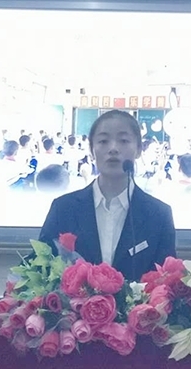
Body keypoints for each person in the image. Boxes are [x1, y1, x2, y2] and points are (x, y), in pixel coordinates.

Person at [38, 109, 176, 280]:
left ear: (139, 149)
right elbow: (40, 269)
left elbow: (167, 281)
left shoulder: (158, 214)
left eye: (124, 140)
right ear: (91, 149)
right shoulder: (64, 208)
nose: (113, 149)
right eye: (103, 141)